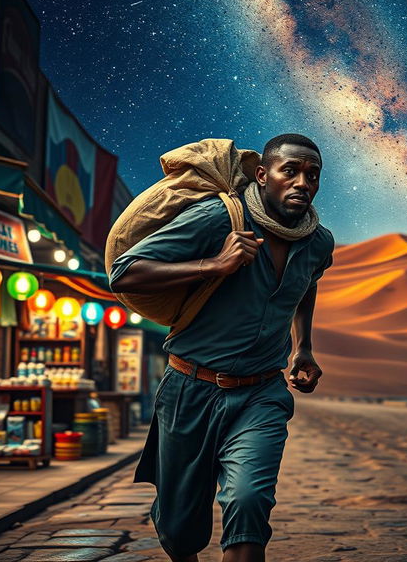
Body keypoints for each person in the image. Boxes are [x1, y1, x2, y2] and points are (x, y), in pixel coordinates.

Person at [109, 133, 334, 562]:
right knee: (180, 525)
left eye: (313, 175)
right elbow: (124, 273)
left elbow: (308, 283)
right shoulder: (217, 218)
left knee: (249, 502)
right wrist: (215, 264)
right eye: (291, 171)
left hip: (261, 393)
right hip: (189, 389)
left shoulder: (318, 242)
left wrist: (302, 346)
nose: (303, 182)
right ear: (264, 175)